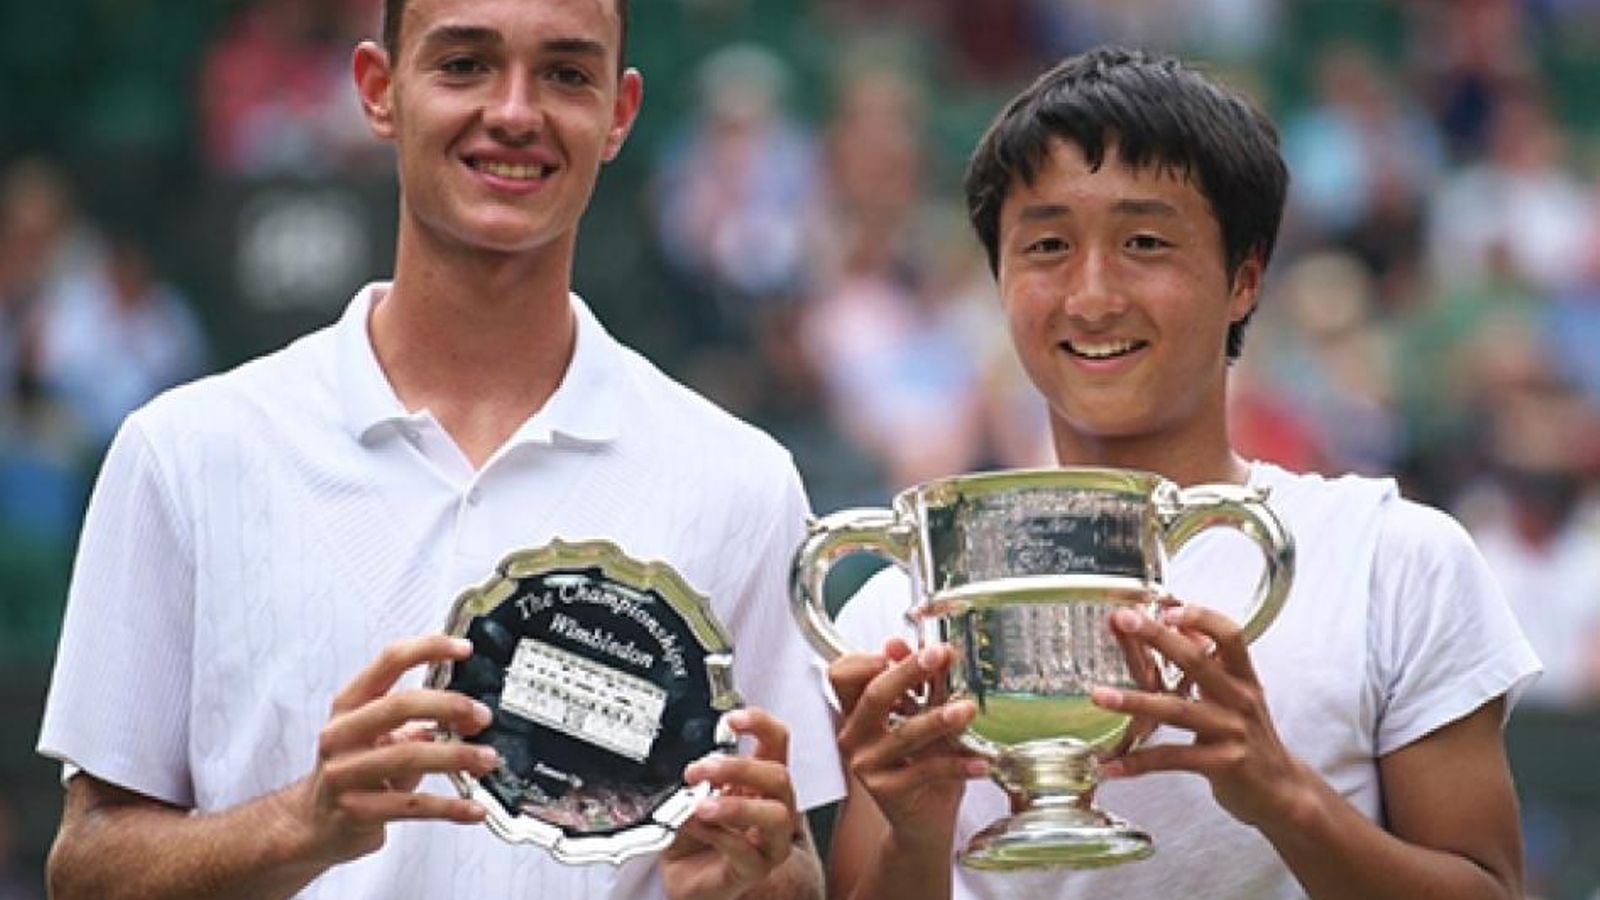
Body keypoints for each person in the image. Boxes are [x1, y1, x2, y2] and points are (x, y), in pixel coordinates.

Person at [35, 1, 842, 898]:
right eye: (464, 64)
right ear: (379, 92)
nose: (514, 112)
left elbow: (785, 867)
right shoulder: (183, 454)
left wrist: (757, 878)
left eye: (567, 75)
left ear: (619, 113)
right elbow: (86, 869)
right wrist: (301, 824)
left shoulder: (741, 481)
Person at [824, 46, 1540, 900]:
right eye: (1047, 245)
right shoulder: (906, 602)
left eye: (1145, 243)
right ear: (1000, 279)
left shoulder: (1392, 558)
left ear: (1244, 279)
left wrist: (1280, 793)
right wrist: (921, 825)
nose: (1092, 297)